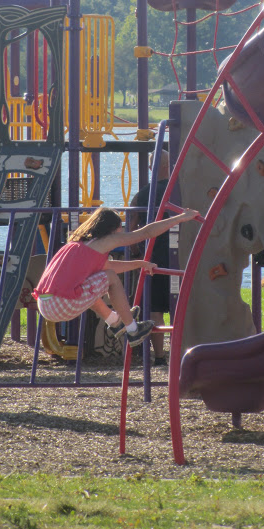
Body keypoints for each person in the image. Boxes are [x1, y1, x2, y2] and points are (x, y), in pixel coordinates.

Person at [33, 204, 199, 348]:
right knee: (110, 277)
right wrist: (181, 218)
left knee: (90, 287)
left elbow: (110, 266)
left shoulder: (79, 245)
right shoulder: (106, 240)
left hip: (45, 304)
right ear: (111, 229)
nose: (121, 231)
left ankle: (115, 321)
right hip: (61, 304)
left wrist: (140, 264)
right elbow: (146, 233)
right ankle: (133, 329)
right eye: (120, 228)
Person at [129, 147, 171, 365]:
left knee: (154, 309)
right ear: (169, 166)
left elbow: (132, 226)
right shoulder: (180, 190)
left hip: (153, 257)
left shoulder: (143, 194)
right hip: (180, 257)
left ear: (151, 168)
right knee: (182, 305)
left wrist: (136, 253)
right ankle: (185, 351)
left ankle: (160, 357)